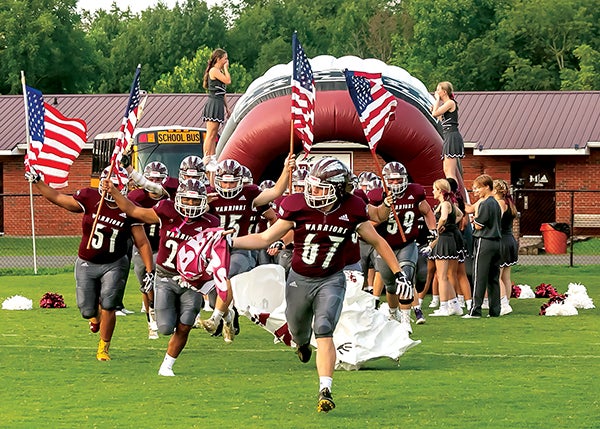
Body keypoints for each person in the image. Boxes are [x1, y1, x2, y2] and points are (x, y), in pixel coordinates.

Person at [231, 157, 413, 413]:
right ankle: (302, 346)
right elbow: (264, 238)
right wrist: (231, 243)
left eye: (320, 188)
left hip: (332, 279)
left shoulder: (352, 208)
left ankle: (325, 389)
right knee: (299, 334)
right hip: (299, 279)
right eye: (312, 186)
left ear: (338, 189)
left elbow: (379, 242)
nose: (312, 192)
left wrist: (400, 272)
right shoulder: (298, 206)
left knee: (325, 329)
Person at [27, 166, 154, 361]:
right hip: (87, 261)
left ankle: (103, 347)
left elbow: (142, 242)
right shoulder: (90, 198)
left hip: (115, 262)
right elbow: (59, 199)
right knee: (86, 310)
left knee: (110, 304)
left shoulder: (130, 208)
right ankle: (95, 319)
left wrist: (149, 270)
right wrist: (38, 182)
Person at [104, 177, 221, 376]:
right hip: (166, 277)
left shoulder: (211, 222)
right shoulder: (167, 211)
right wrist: (114, 191)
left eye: (195, 200)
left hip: (192, 281)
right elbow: (133, 211)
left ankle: (167, 365)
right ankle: (174, 315)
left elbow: (216, 254)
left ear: (204, 201)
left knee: (185, 326)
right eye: (187, 199)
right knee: (166, 327)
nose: (190, 204)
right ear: (178, 198)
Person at [199, 157, 294, 342]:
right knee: (213, 295)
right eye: (224, 182)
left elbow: (276, 191)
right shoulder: (209, 195)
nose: (227, 187)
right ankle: (228, 317)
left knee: (225, 275)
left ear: (240, 181)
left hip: (241, 248)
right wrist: (202, 203)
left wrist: (285, 169)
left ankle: (214, 319)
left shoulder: (249, 194)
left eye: (232, 182)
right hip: (214, 250)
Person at [368, 161, 437, 330]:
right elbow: (370, 221)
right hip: (385, 245)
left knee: (405, 279)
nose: (396, 184)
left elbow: (427, 211)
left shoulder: (415, 192)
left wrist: (433, 229)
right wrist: (382, 213)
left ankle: (406, 320)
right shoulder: (377, 196)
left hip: (407, 243)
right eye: (392, 181)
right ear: (385, 180)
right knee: (391, 286)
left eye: (399, 180)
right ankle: (393, 313)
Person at [463, 174, 502, 319]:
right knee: (493, 278)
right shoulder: (496, 203)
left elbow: (479, 226)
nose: (476, 191)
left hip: (484, 241)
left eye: (478, 188)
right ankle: (495, 310)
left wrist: (473, 221)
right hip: (497, 242)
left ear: (487, 187)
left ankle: (475, 310)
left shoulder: (486, 204)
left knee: (479, 276)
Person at [429, 178, 464, 317]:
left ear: (440, 190)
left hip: (443, 241)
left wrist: (437, 228)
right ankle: (455, 305)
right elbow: (460, 215)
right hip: (449, 240)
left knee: (442, 276)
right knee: (446, 276)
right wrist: (450, 225)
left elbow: (443, 217)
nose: (432, 191)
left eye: (434, 189)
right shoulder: (450, 203)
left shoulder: (444, 204)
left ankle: (443, 307)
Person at [431, 82, 465, 193]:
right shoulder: (446, 105)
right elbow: (440, 119)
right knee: (446, 169)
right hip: (447, 135)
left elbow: (435, 114)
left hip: (452, 136)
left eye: (438, 90)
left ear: (444, 92)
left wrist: (436, 101)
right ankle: (452, 192)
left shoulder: (450, 103)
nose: (437, 92)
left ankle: (454, 194)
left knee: (450, 171)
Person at [493, 179, 518, 315]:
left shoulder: (500, 203)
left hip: (501, 241)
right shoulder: (509, 202)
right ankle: (506, 302)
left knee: (497, 275)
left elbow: (496, 220)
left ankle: (503, 303)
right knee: (506, 276)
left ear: (496, 190)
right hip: (510, 240)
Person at [202, 48, 231, 162]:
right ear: (219, 59)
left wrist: (227, 108)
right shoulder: (214, 71)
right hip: (213, 103)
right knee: (210, 133)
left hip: (219, 103)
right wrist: (225, 68)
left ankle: (213, 157)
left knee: (215, 134)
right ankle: (206, 157)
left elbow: (222, 92)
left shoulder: (219, 73)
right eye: (225, 58)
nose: (226, 61)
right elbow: (228, 81)